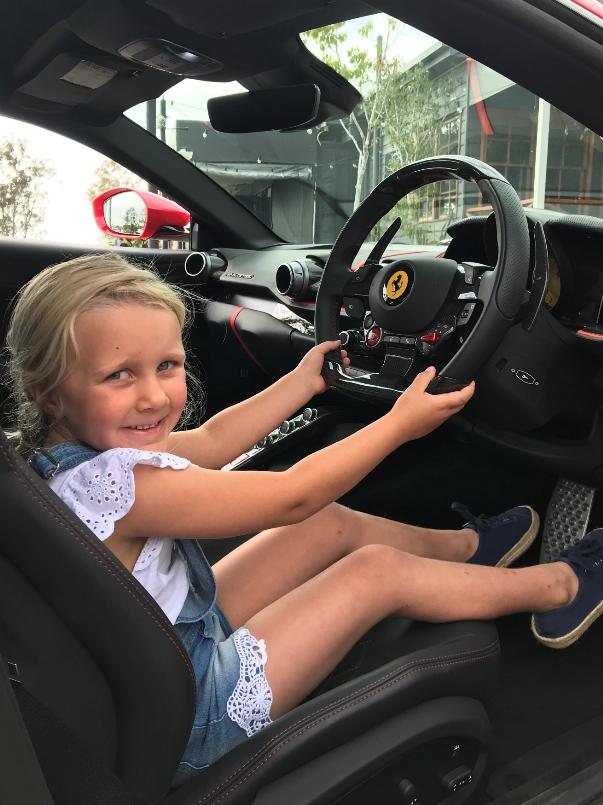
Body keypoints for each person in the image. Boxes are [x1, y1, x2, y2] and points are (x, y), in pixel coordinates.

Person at [4, 253, 602, 785]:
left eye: (167, 365)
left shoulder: (69, 461)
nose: (155, 397)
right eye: (119, 375)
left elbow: (211, 439)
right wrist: (398, 425)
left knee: (325, 527)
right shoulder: (121, 486)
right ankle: (559, 587)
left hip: (159, 653)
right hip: (192, 710)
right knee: (374, 572)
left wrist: (301, 382)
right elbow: (292, 495)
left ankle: (464, 552)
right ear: (48, 391)